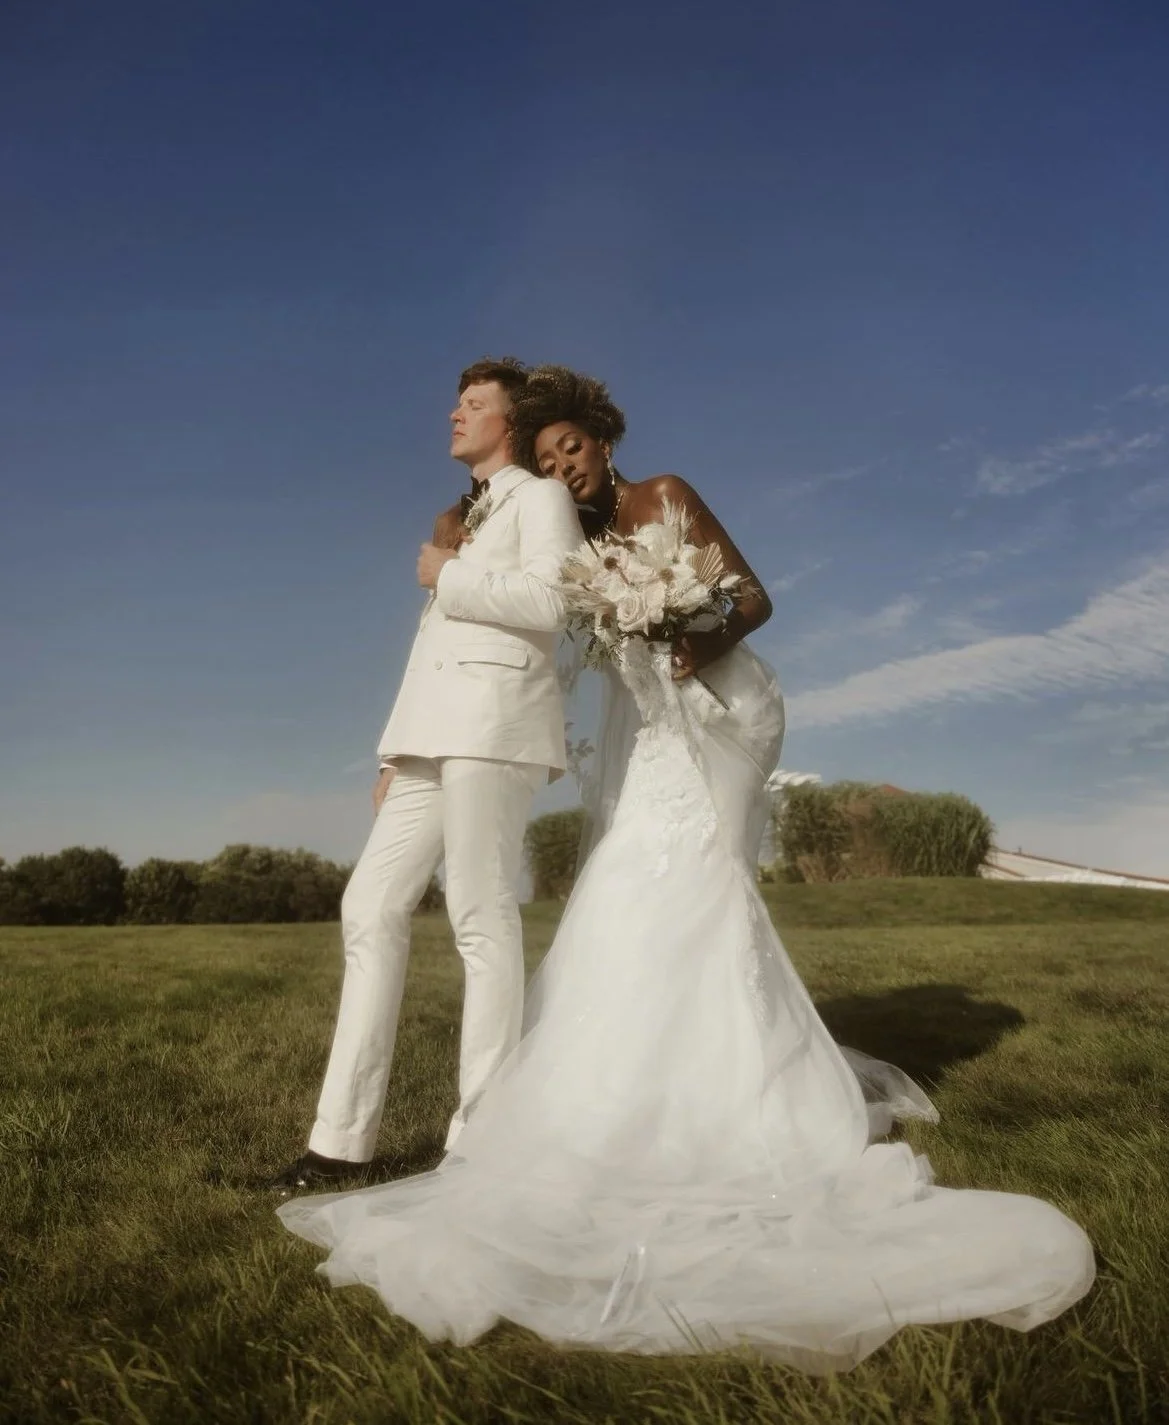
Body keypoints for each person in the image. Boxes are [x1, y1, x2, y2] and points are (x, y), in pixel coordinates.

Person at [277, 366, 1094, 1369]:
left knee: (704, 875)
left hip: (725, 706)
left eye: (570, 447)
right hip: (647, 722)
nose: (561, 464)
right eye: (546, 456)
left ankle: (741, 1093)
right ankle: (630, 1092)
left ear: (603, 441)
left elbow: (750, 600)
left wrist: (678, 625)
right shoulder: (563, 532)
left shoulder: (660, 494)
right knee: (629, 876)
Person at [266, 357, 583, 1192]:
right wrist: (392, 750)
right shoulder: (465, 516)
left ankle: (481, 1141)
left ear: (506, 423)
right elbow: (430, 648)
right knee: (368, 902)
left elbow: (556, 603)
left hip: (494, 730)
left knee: (480, 916)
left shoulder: (540, 498)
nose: (454, 414)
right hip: (428, 739)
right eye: (456, 402)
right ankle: (340, 1144)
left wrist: (453, 575)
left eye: (472, 404)